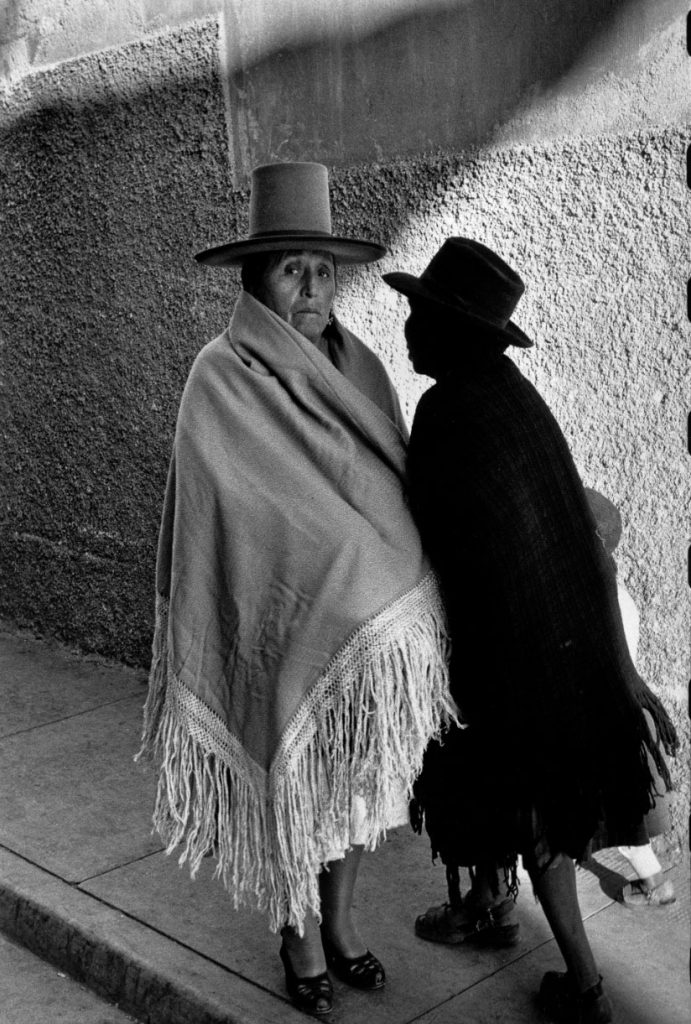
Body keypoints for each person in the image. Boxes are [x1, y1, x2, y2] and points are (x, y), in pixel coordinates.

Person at [137, 162, 455, 1016]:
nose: (313, 285)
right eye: (291, 268)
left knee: (358, 795)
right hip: (278, 628)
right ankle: (298, 935)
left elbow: (389, 482)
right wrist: (337, 559)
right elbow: (237, 511)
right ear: (253, 278)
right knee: (295, 793)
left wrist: (376, 561)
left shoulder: (359, 367)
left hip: (365, 650)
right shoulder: (221, 375)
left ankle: (342, 925)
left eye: (323, 267)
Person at [382, 238, 678, 1024]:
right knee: (501, 797)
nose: (408, 327)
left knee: (532, 819)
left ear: (455, 330)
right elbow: (579, 544)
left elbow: (429, 536)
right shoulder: (511, 396)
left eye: (422, 314)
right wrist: (620, 673)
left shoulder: (449, 410)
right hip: (557, 646)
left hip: (516, 662)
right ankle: (486, 904)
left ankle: (582, 986)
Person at [584, 488, 675, 908]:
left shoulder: (590, 602)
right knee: (621, 814)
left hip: (603, 722)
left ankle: (656, 884)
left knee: (621, 821)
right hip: (622, 717)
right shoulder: (619, 596)